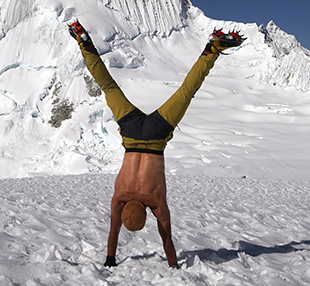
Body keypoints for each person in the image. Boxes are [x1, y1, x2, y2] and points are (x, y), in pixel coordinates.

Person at [67, 18, 245, 269]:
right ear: (127, 207)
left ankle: (212, 49)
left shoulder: (156, 203)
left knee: (186, 92)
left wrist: (173, 264)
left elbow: (167, 240)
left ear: (146, 214)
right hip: (130, 133)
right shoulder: (119, 198)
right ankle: (84, 43)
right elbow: (113, 232)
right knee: (107, 85)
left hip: (157, 135)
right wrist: (109, 258)